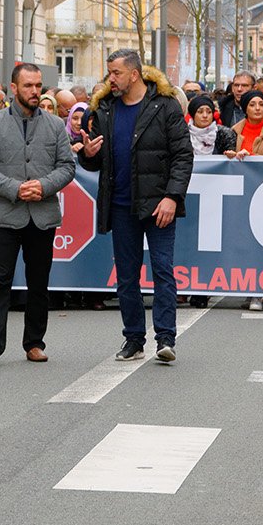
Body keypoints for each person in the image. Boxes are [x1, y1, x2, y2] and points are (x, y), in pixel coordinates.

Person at [76, 48, 193, 362]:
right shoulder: (105, 110)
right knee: (126, 275)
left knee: (163, 271)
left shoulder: (165, 106)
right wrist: (87, 155)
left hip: (158, 205)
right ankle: (133, 340)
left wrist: (172, 197)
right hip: (121, 204)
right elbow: (97, 162)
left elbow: (183, 156)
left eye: (115, 72)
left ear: (134, 73)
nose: (110, 78)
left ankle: (165, 338)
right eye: (109, 72)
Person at [0, 63, 77, 364]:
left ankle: (34, 342)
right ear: (14, 88)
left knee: (38, 282)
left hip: (42, 215)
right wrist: (14, 188)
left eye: (38, 85)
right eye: (29, 86)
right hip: (5, 213)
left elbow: (67, 167)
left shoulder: (56, 125)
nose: (35, 91)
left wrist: (44, 186)